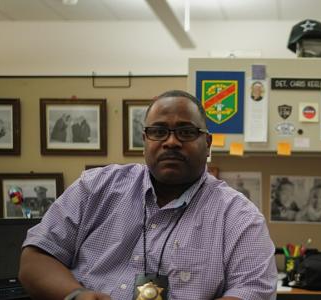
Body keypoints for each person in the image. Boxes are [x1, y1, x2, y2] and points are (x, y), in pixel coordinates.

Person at [19, 90, 277, 300]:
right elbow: (36, 258)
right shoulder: (95, 188)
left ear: (207, 143)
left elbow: (253, 290)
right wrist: (76, 295)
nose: (171, 142)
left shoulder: (239, 217)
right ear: (145, 139)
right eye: (159, 131)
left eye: (186, 132)